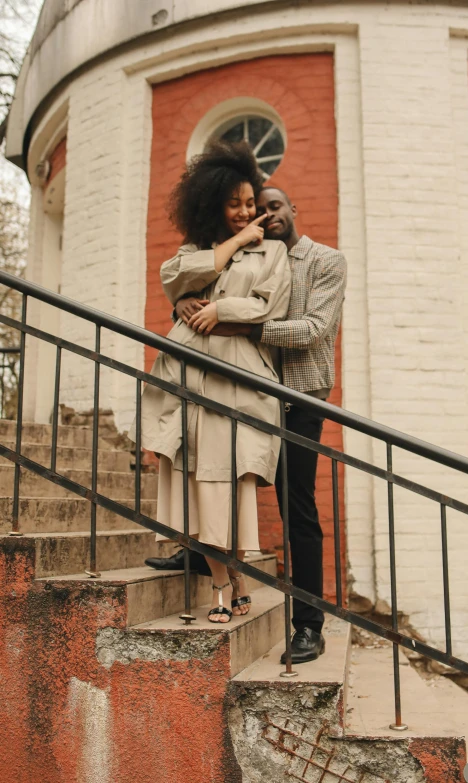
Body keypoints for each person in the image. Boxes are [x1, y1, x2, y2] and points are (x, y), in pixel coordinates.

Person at [147, 186, 347, 663]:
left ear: (293, 208)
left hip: (297, 397)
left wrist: (239, 324)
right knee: (213, 470)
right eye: (257, 208)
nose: (264, 214)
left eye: (274, 205)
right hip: (244, 385)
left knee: (296, 506)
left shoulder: (324, 261)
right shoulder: (242, 250)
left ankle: (309, 624)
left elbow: (312, 329)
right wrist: (184, 305)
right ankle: (202, 552)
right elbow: (193, 289)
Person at [132, 144, 291, 624]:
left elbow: (267, 307)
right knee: (191, 483)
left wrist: (217, 310)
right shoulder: (195, 251)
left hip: (234, 383)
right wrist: (235, 244)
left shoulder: (274, 251)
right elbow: (174, 278)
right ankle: (225, 583)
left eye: (251, 202)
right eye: (234, 203)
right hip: (185, 379)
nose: (247, 212)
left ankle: (235, 576)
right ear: (212, 205)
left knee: (225, 483)